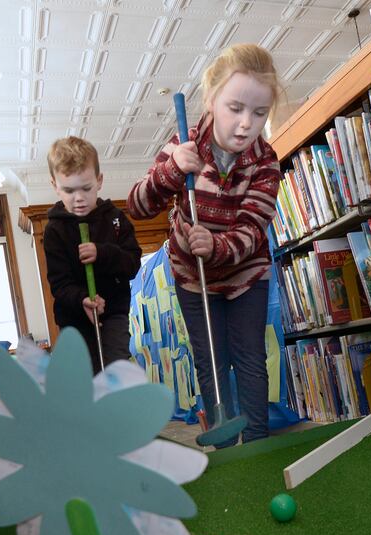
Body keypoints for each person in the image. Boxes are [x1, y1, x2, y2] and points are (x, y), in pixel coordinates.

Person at [127, 44, 282, 445]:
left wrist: (215, 246)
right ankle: (225, 442)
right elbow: (138, 205)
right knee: (211, 360)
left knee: (250, 358)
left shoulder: (266, 163)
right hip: (192, 278)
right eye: (235, 108)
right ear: (211, 101)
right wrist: (173, 169)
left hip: (246, 274)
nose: (247, 124)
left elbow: (252, 229)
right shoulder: (181, 146)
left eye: (259, 113)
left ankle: (260, 443)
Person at [44, 137, 142, 372]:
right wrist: (82, 299)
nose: (78, 198)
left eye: (86, 188)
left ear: (99, 181)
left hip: (113, 315)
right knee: (84, 378)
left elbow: (132, 263)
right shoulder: (54, 230)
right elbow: (59, 284)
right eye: (68, 190)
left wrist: (103, 252)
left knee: (116, 371)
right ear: (55, 186)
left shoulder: (116, 219)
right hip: (74, 320)